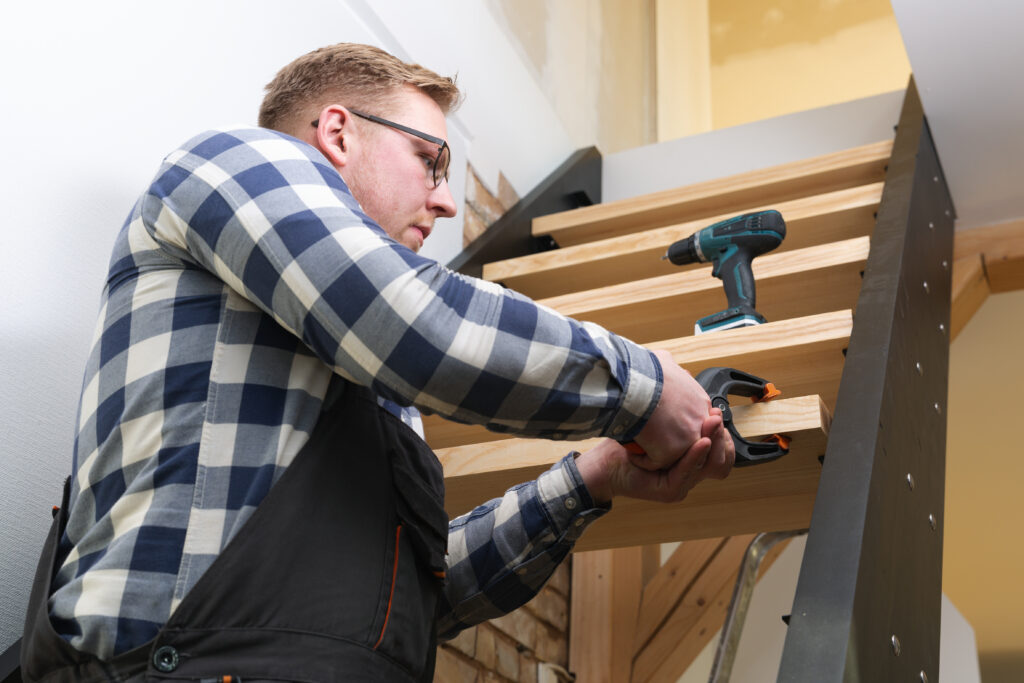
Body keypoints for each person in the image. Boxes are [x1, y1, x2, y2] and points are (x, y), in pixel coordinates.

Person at [21, 43, 733, 682]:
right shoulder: (236, 160)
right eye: (430, 160)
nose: (446, 202)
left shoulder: (379, 391)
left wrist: (589, 479)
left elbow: (408, 604)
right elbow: (418, 327)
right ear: (337, 132)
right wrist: (644, 389)